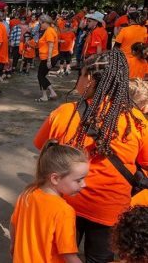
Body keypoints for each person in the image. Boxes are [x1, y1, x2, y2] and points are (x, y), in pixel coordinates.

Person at [34, 49, 148, 262]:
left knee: (60, 255)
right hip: (111, 211)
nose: (77, 80)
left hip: (66, 205)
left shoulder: (64, 114)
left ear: (90, 79)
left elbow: (42, 147)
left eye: (81, 74)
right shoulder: (136, 121)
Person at [10, 140, 88, 263]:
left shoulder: (27, 193)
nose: (84, 184)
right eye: (79, 180)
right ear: (55, 178)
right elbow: (69, 255)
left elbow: (13, 225)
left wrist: (13, 246)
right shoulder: (64, 211)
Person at [35, 14, 59, 102]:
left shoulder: (49, 31)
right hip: (48, 57)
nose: (40, 25)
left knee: (40, 76)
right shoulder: (49, 30)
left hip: (49, 57)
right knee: (42, 76)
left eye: (40, 23)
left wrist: (49, 60)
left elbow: (51, 46)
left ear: (45, 23)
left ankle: (49, 93)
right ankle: (48, 94)